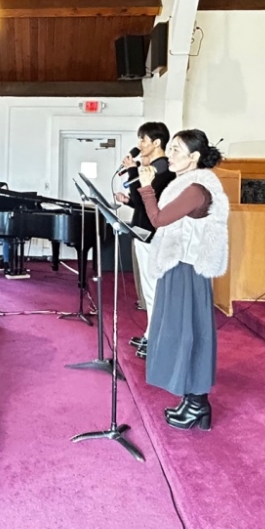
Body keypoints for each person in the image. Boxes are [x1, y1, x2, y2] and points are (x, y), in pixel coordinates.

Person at [137, 129, 229, 431]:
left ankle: (198, 402)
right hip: (178, 266)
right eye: (171, 148)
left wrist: (146, 187)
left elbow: (159, 219)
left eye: (176, 150)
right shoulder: (186, 184)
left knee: (190, 334)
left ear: (194, 157)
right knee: (181, 333)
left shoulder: (196, 189)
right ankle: (192, 400)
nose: (170, 155)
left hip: (187, 269)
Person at [115, 122, 176, 358]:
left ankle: (156, 338)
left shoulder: (164, 170)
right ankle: (151, 333)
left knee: (153, 290)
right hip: (142, 231)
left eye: (143, 140)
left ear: (157, 142)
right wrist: (128, 201)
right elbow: (142, 202)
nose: (139, 144)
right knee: (148, 289)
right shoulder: (151, 168)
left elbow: (151, 200)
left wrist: (133, 171)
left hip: (152, 235)